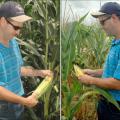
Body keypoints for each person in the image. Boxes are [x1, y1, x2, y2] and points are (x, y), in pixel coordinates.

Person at [0, 1, 52, 120]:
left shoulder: (13, 41)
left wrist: (39, 72)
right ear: (2, 21)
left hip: (18, 101)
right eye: (16, 27)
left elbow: (18, 69)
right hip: (4, 108)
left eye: (20, 28)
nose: (18, 32)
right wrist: (24, 101)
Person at [77, 2, 120, 120]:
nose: (101, 26)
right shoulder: (115, 42)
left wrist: (90, 80)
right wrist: (94, 72)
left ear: (114, 18)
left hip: (115, 106)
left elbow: (117, 83)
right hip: (106, 101)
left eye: (102, 22)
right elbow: (114, 70)